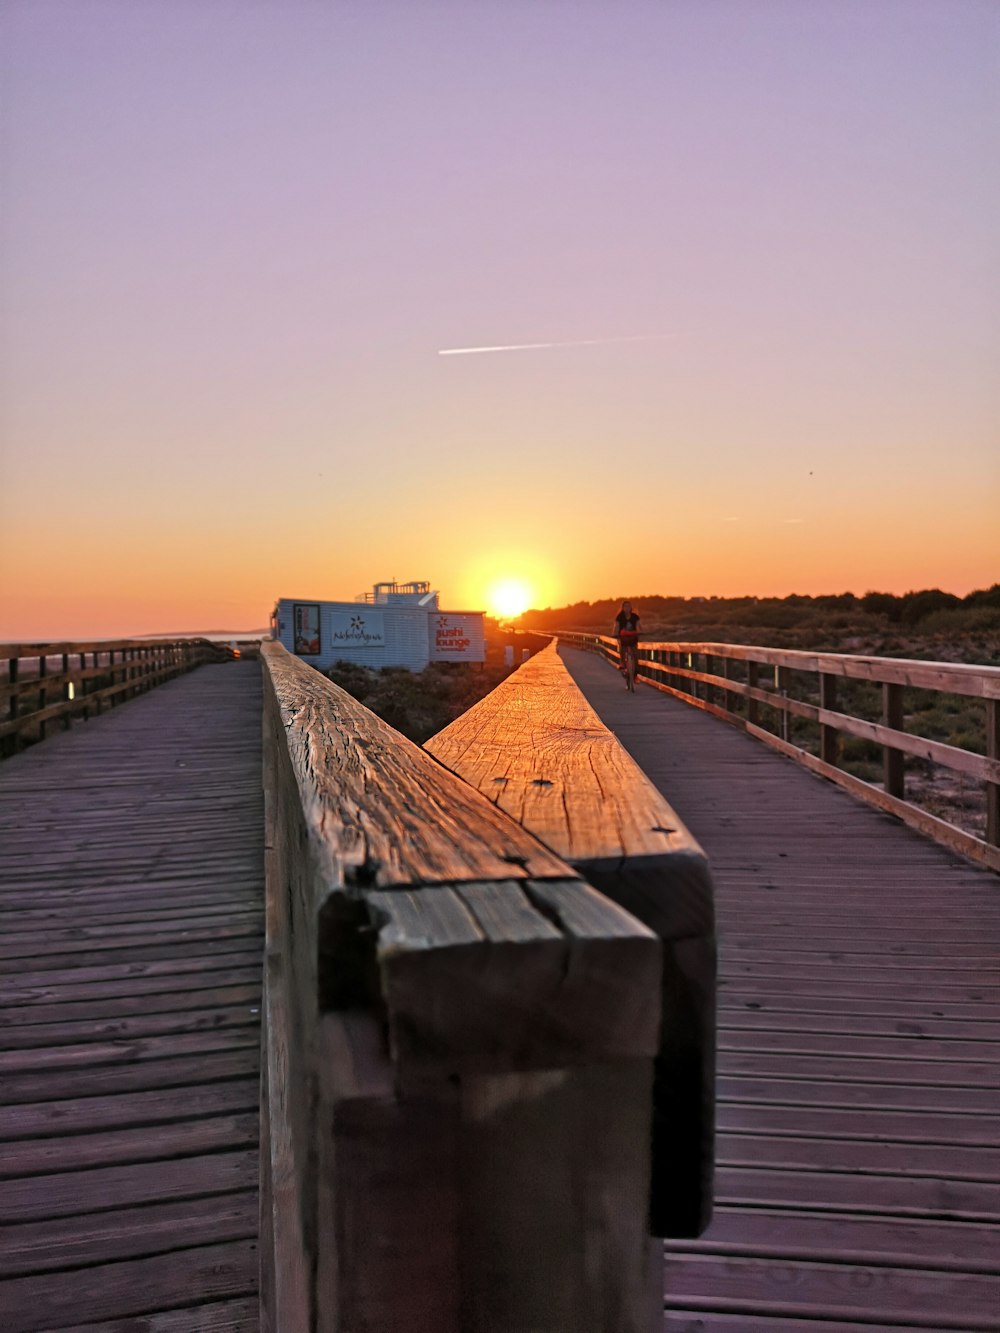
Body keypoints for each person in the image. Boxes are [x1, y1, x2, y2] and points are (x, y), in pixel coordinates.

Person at [613, 600, 641, 681]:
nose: (627, 608)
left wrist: (641, 631)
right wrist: (614, 633)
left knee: (635, 653)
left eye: (628, 606)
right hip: (623, 637)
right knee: (622, 649)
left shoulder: (635, 616)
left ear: (631, 607)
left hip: (633, 637)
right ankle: (622, 663)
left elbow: (639, 625)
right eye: (625, 606)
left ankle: (635, 671)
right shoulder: (619, 617)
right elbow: (616, 626)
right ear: (622, 608)